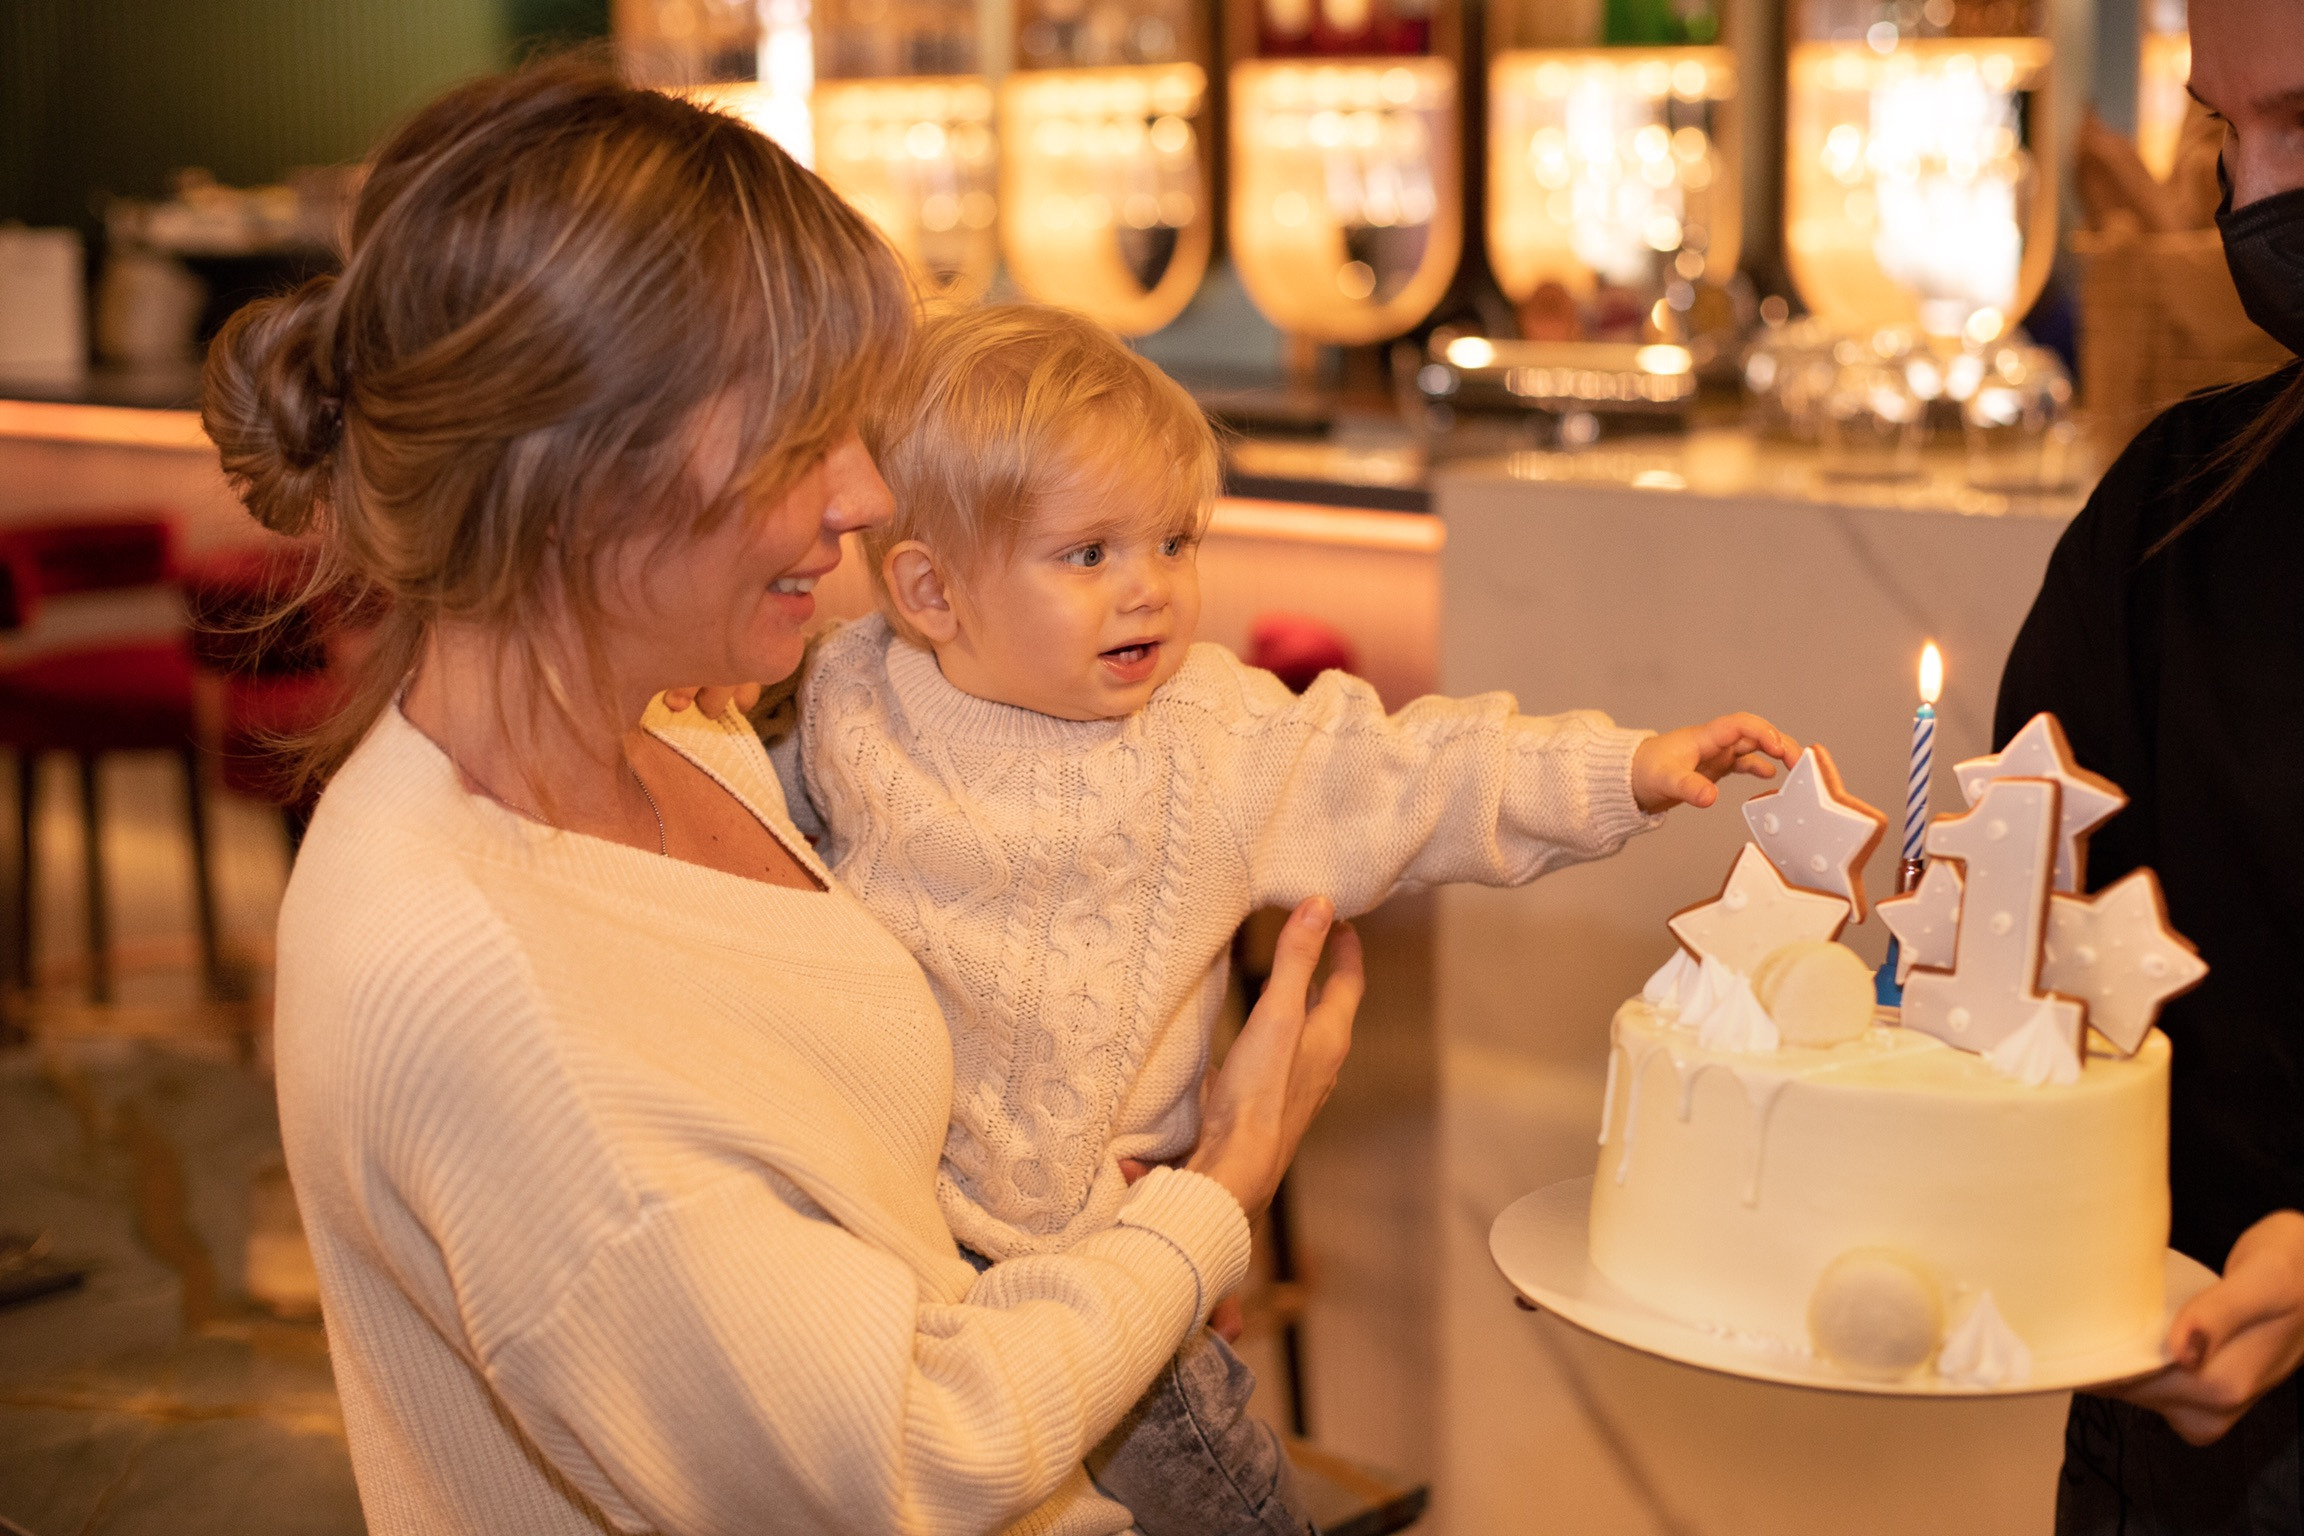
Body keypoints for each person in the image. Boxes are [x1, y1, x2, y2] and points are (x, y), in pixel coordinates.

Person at [203, 64, 1363, 1536]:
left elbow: (827, 1208)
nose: (868, 496)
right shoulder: (482, 996)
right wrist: (1214, 1194)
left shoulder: (679, 728)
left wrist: (1096, 1287)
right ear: (585, 473)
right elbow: (908, 1452)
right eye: (805, 437)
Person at [727, 302, 1796, 1533]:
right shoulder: (850, 692)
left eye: (1175, 543)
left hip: (1112, 1253)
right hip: (894, 1244)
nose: (1151, 591)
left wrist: (1629, 771)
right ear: (928, 591)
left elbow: (1417, 776)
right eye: (1089, 556)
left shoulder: (1213, 739)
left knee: (1229, 1501)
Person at [1996, 0, 2304, 1527]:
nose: (2256, 201)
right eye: (2220, 132)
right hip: (2185, 1446)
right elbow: (2022, 942)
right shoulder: (2175, 519)